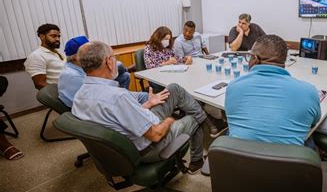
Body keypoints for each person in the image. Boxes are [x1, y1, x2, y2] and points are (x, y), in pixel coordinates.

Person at [72, 41, 207, 173]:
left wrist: (147, 105)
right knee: (195, 116)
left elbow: (116, 117)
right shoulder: (117, 97)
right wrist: (169, 120)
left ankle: (206, 120)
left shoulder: (78, 96)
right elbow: (156, 134)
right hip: (150, 146)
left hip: (137, 132)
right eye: (114, 57)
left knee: (173, 88)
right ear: (109, 61)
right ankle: (197, 160)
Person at [225, 34, 321, 145]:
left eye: (250, 56)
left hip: (238, 158)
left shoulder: (233, 87)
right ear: (283, 61)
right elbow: (314, 122)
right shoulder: (309, 92)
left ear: (255, 59)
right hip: (288, 160)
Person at [58, 36, 131, 107]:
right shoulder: (74, 76)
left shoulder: (73, 65)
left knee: (125, 76)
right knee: (120, 67)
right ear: (75, 57)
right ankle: (122, 104)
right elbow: (98, 92)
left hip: (87, 97)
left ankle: (125, 100)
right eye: (89, 53)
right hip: (84, 107)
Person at [24, 24, 65, 90]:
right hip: (62, 94)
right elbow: (39, 84)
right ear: (42, 37)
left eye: (58, 36)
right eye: (53, 36)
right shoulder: (36, 56)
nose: (57, 39)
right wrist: (65, 93)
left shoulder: (59, 53)